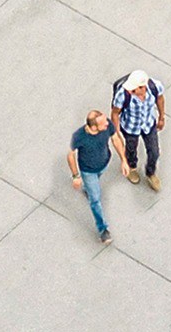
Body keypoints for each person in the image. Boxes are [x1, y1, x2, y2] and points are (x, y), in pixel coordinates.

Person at [67, 110, 119, 245]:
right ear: (94, 127)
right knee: (95, 200)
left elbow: (115, 139)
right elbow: (70, 155)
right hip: (88, 171)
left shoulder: (107, 126)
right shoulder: (78, 136)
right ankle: (103, 230)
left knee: (94, 185)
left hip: (104, 163)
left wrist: (124, 160)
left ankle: (88, 189)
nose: (108, 123)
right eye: (103, 123)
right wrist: (75, 176)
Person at [110, 70, 165, 191]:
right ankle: (132, 167)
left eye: (134, 90)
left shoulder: (155, 87)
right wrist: (116, 132)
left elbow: (160, 100)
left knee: (154, 152)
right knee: (131, 149)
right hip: (130, 127)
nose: (130, 91)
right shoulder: (123, 95)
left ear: (142, 87)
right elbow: (115, 113)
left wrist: (161, 117)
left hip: (149, 125)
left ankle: (150, 173)